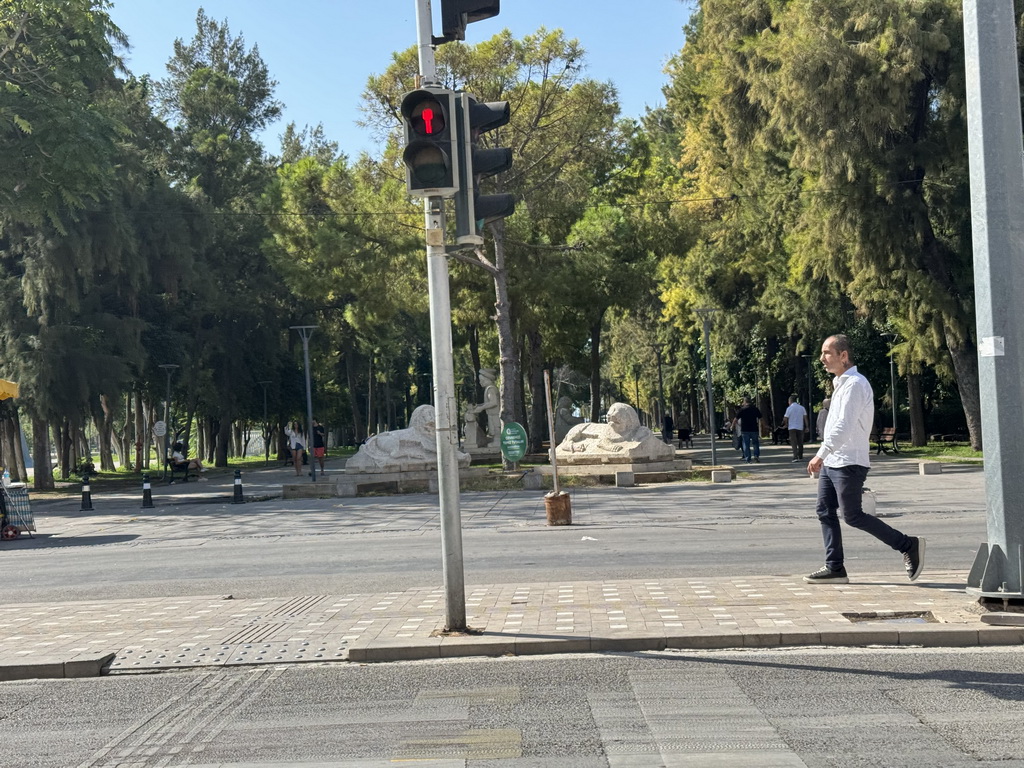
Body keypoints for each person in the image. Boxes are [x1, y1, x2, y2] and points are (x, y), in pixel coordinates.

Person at [804, 334, 924, 584]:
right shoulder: (840, 384)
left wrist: (820, 454)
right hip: (834, 461)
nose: (822, 358)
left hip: (849, 461)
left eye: (827, 353)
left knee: (853, 516)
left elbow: (844, 427)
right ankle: (835, 567)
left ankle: (907, 544)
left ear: (843, 355)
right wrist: (826, 456)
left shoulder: (856, 384)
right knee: (824, 511)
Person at [731, 396, 762, 463]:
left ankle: (748, 458)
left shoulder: (742, 410)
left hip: (745, 429)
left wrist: (732, 426)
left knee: (746, 444)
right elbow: (761, 418)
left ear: (744, 402)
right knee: (755, 443)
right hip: (754, 429)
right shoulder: (755, 409)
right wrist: (765, 426)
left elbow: (735, 419)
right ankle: (756, 456)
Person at [782, 395, 807, 462]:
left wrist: (786, 424)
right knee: (800, 442)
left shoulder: (789, 408)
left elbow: (785, 418)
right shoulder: (802, 408)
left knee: (794, 442)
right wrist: (807, 426)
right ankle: (800, 456)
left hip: (792, 427)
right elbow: (805, 417)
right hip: (800, 427)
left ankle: (795, 457)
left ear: (790, 401)